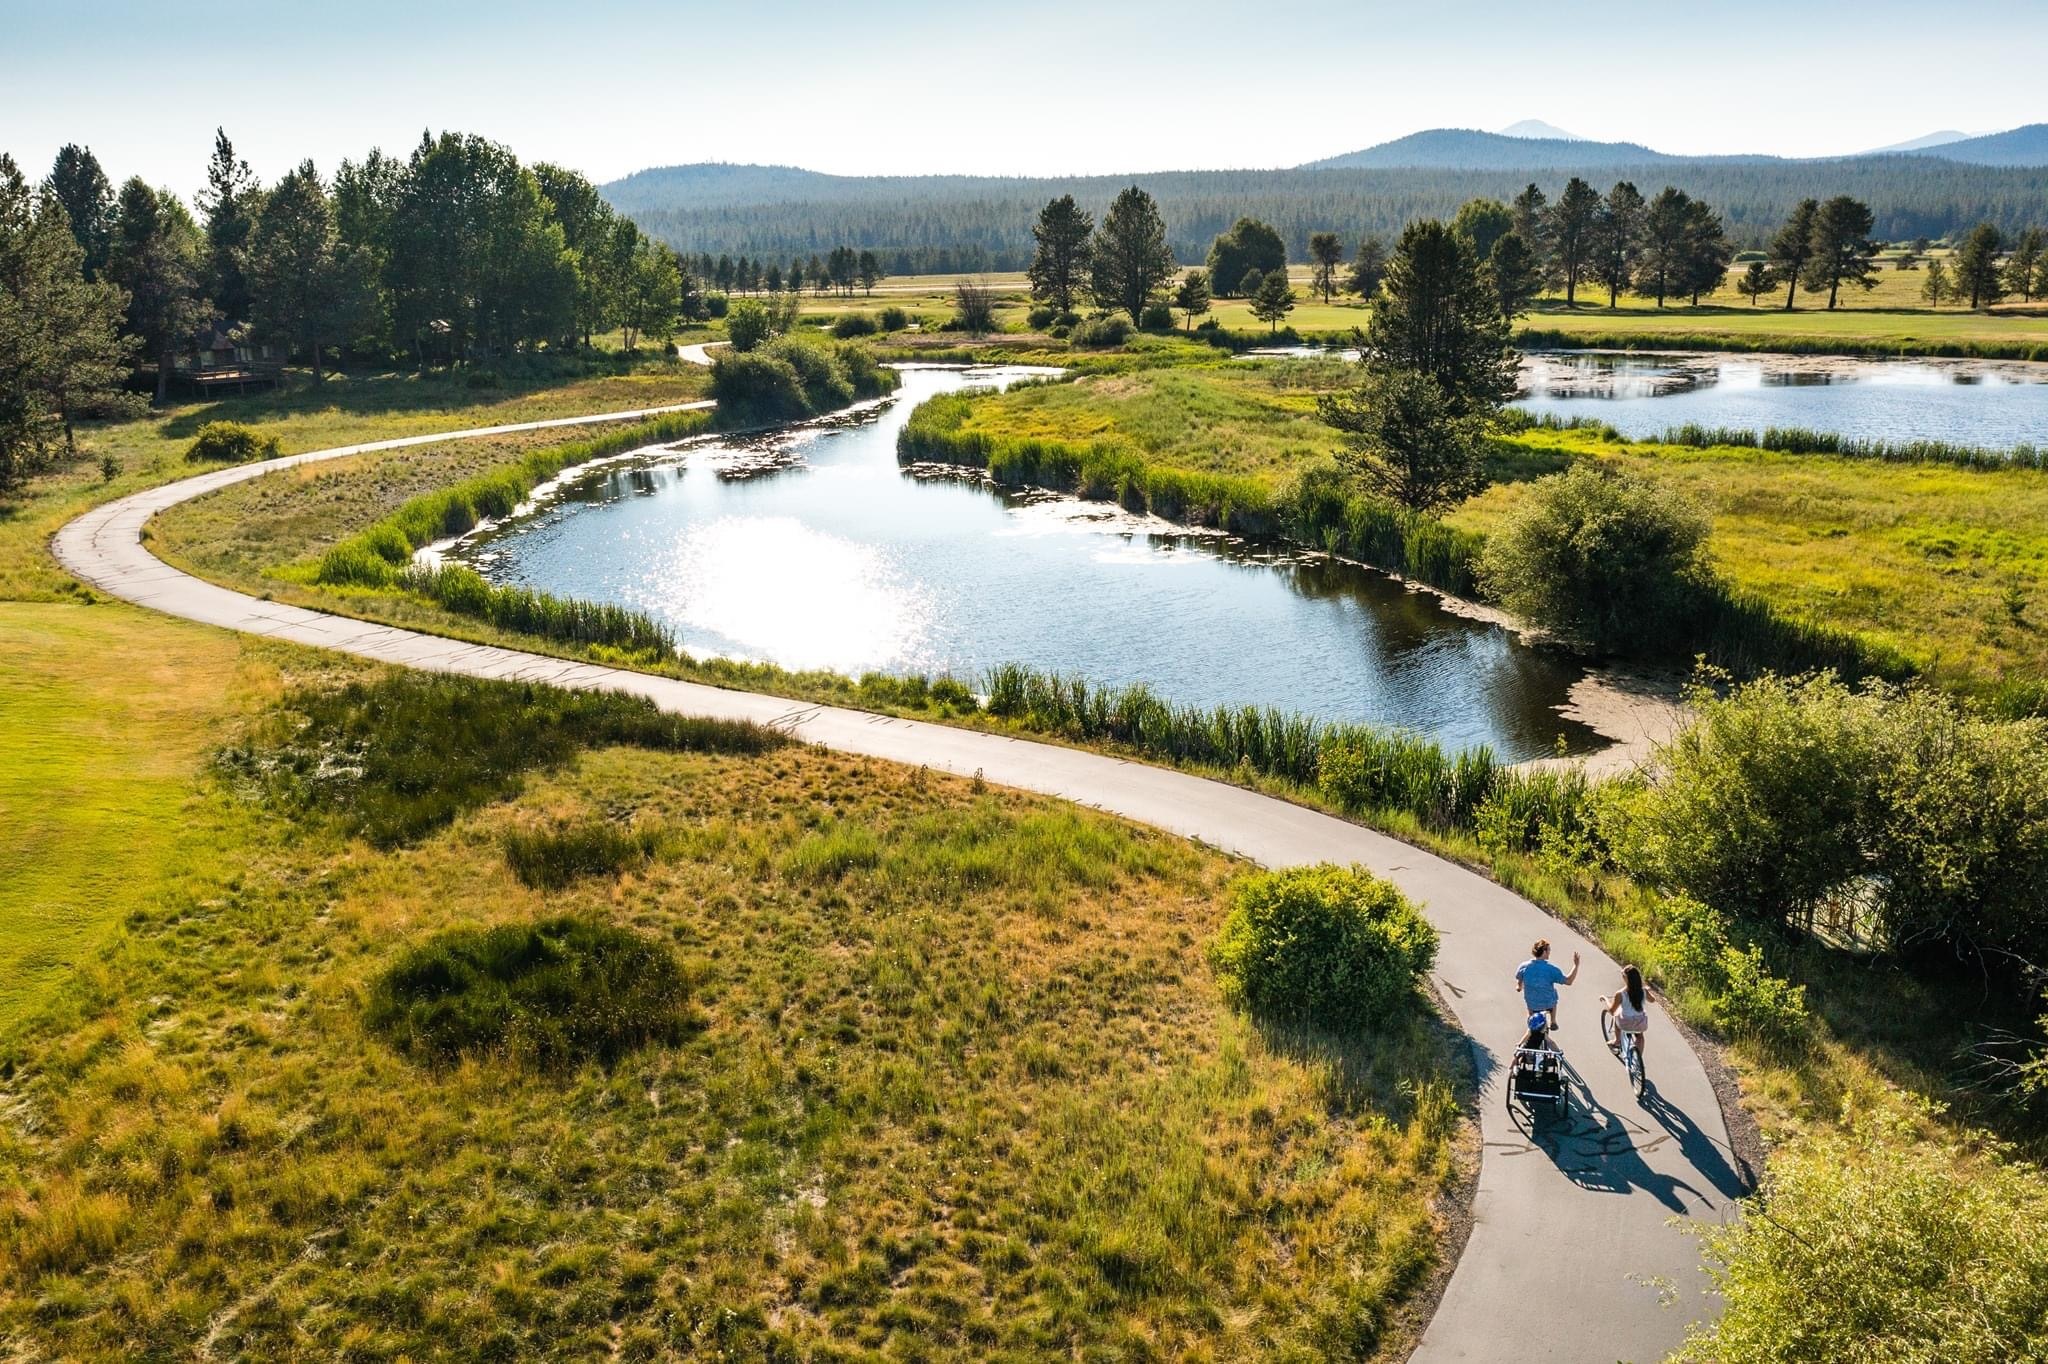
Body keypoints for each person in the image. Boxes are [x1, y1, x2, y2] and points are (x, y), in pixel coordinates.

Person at [1514, 938, 1578, 1032]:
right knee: (1553, 995)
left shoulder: (1524, 966)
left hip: (1532, 1004)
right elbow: (1569, 981)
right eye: (1549, 950)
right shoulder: (1551, 969)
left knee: (1530, 1008)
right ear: (1544, 952)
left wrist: (1519, 986)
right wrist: (1576, 965)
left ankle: (1531, 1021)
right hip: (1547, 1004)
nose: (1549, 952)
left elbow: (1519, 978)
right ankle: (1553, 1021)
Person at [1604, 964, 1650, 1065]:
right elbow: (1652, 1000)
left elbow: (1612, 1011)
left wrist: (1606, 1000)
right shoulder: (1643, 991)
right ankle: (1638, 1060)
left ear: (1626, 978)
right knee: (1640, 1037)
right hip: (1640, 1023)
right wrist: (1647, 991)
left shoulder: (1620, 994)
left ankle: (1617, 1041)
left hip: (1625, 1023)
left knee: (1616, 1015)